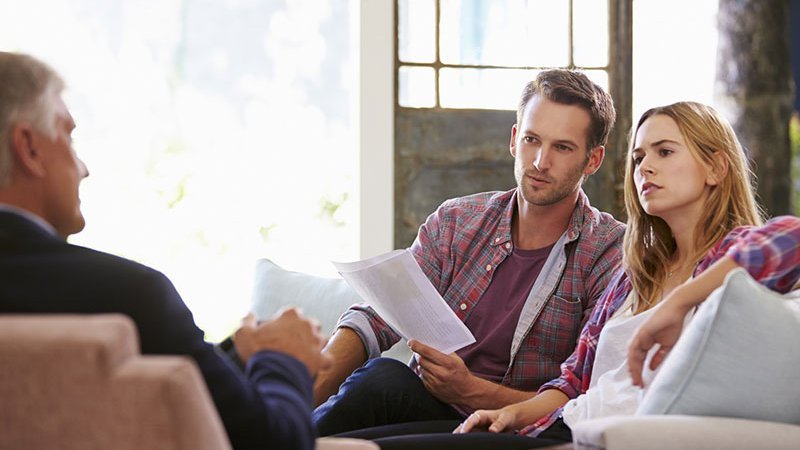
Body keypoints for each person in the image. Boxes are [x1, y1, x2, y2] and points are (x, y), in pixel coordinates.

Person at [407, 101, 800, 450]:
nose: (645, 166)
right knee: (365, 439)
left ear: (715, 167)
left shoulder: (733, 256)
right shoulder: (635, 274)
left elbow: (793, 238)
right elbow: (573, 383)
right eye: (638, 156)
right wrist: (514, 413)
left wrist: (680, 301)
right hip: (561, 425)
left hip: (607, 438)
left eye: (664, 152)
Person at [0, 52, 327, 450]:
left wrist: (236, 356)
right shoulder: (127, 296)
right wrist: (281, 359)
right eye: (67, 136)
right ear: (29, 149)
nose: (83, 167)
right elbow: (271, 443)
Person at [313, 69, 625, 436]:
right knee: (373, 389)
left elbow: (586, 394)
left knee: (376, 392)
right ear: (514, 139)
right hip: (425, 408)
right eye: (531, 140)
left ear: (593, 160)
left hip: (518, 430)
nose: (540, 161)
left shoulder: (609, 252)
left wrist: (470, 390)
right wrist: (301, 396)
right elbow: (376, 317)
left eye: (562, 147)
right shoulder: (457, 222)